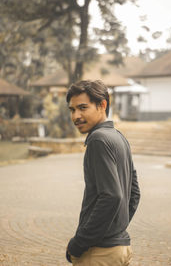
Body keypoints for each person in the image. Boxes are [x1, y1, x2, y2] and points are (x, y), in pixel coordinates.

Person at [66, 80, 140, 266]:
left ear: (102, 105)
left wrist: (78, 243)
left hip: (100, 253)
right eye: (72, 110)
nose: (76, 116)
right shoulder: (118, 137)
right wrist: (116, 229)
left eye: (83, 107)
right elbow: (134, 193)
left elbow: (112, 196)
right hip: (120, 249)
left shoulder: (98, 140)